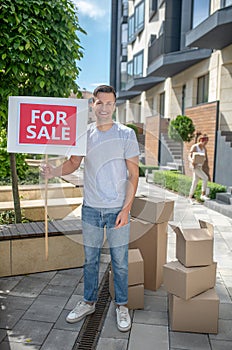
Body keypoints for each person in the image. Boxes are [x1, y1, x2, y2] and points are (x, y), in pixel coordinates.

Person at [41, 85, 139, 332]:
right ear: (92, 105)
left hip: (118, 209)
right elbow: (73, 163)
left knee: (121, 261)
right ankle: (88, 302)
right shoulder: (83, 134)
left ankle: (122, 306)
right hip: (91, 209)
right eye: (99, 103)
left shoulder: (126, 134)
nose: (104, 108)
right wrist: (53, 171)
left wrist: (126, 210)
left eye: (109, 103)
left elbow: (133, 175)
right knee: (90, 260)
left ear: (114, 105)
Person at [188, 133, 209, 204]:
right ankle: (203, 194)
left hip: (200, 167)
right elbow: (189, 156)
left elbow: (204, 158)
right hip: (194, 167)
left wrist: (203, 159)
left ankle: (190, 197)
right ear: (201, 140)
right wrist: (192, 161)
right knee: (205, 178)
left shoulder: (204, 149)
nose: (205, 144)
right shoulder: (195, 147)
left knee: (195, 182)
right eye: (205, 142)